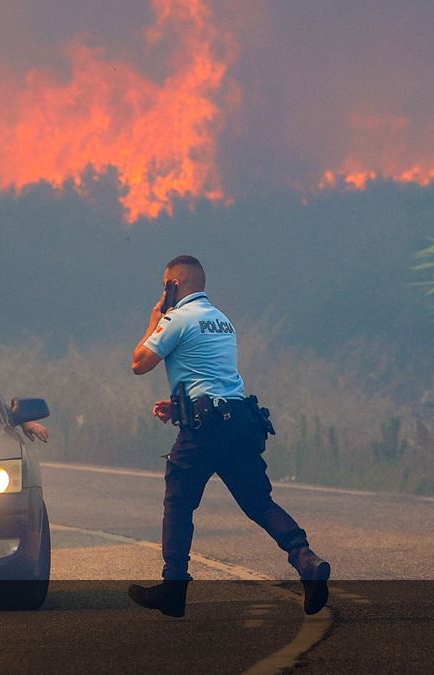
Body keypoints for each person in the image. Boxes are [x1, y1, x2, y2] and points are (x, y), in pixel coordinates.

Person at [127, 255, 330, 617]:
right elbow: (210, 376)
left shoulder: (176, 318)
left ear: (173, 286)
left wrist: (153, 319)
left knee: (178, 503)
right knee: (259, 502)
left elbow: (139, 363)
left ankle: (174, 589)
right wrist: (179, 407)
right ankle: (306, 561)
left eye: (165, 285)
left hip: (204, 430)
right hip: (238, 421)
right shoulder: (222, 320)